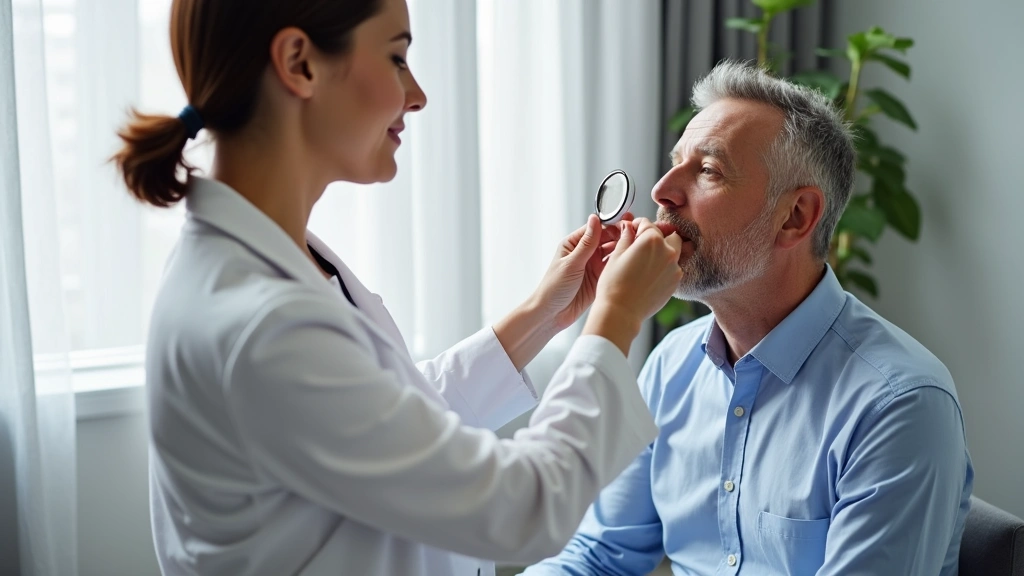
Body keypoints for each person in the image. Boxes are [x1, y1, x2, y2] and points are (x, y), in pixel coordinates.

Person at [111, 0, 685, 575]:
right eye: (396, 58)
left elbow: (393, 418)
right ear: (298, 63)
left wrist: (545, 312)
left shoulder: (283, 259)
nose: (417, 95)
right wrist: (617, 317)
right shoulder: (259, 319)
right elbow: (521, 509)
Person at [524, 60, 973, 576]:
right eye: (674, 164)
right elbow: (600, 556)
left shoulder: (899, 404)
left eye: (708, 171)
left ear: (796, 216)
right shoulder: (672, 366)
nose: (663, 192)